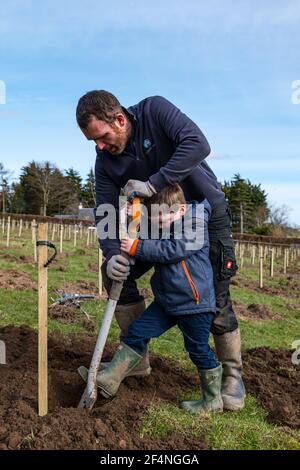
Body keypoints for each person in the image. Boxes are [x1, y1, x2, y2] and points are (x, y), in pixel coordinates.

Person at [76, 90, 245, 411]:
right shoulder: (105, 161)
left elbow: (198, 144)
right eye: (92, 142)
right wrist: (113, 256)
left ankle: (231, 375)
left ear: (120, 119)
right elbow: (105, 211)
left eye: (102, 137)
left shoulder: (155, 111)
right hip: (154, 226)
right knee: (116, 274)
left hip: (202, 215)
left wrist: (154, 183)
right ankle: (135, 361)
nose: (99, 146)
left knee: (217, 297)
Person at [79, 185, 223, 414]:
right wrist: (131, 217)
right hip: (166, 303)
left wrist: (137, 246)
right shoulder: (157, 228)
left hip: (194, 303)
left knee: (197, 349)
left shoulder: (193, 229)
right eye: (155, 214)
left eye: (166, 213)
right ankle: (110, 379)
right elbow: (142, 232)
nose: (160, 219)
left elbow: (171, 250)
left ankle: (212, 399)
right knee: (138, 331)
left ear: (182, 210)